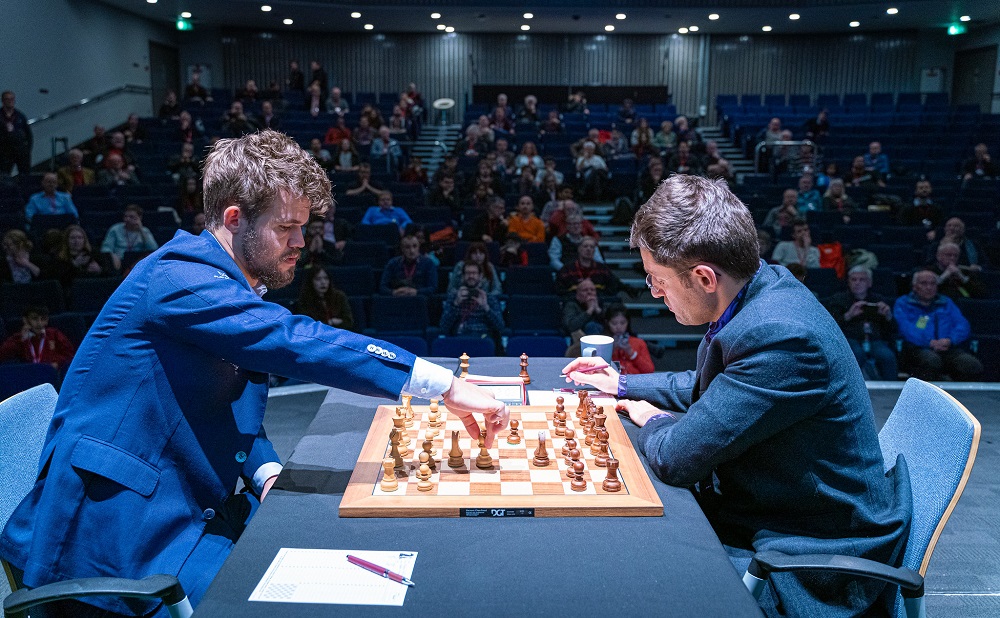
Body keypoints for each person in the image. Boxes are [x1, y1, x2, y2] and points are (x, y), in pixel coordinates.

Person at [0, 131, 507, 617]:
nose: (301, 241)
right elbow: (292, 340)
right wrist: (444, 386)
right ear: (234, 218)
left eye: (303, 226)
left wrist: (264, 471)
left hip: (192, 503)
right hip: (120, 536)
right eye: (286, 227)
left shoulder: (221, 282)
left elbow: (223, 402)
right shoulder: (177, 278)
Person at [562, 174, 910, 617]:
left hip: (813, 552)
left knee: (625, 569)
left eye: (657, 280)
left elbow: (677, 458)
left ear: (705, 277)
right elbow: (715, 385)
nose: (655, 292)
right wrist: (623, 384)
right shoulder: (763, 287)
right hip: (772, 504)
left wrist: (653, 419)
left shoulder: (782, 338)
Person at [894, 270, 983, 381]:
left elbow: (962, 325)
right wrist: (929, 342)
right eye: (924, 283)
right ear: (914, 286)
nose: (929, 287)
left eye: (933, 284)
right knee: (931, 361)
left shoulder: (946, 303)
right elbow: (905, 328)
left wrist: (950, 340)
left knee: (972, 365)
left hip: (947, 347)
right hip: (918, 348)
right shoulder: (903, 303)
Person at [822, 266, 898, 381]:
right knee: (856, 355)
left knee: (887, 356)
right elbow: (829, 327)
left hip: (874, 339)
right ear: (849, 282)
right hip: (849, 339)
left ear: (869, 283)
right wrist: (849, 315)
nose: (857, 283)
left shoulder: (879, 300)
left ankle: (892, 390)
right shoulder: (837, 300)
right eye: (854, 279)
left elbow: (892, 329)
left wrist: (888, 316)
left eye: (862, 280)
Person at [439, 261, 505, 349]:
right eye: (467, 273)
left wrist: (486, 307)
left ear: (480, 276)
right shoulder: (453, 298)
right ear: (463, 276)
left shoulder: (489, 298)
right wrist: (456, 304)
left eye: (474, 273)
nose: (471, 276)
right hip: (459, 339)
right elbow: (444, 326)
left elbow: (500, 327)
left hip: (482, 340)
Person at [0, 305, 75, 370]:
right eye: (35, 319)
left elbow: (70, 355)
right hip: (28, 374)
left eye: (43, 319)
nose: (39, 323)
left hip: (51, 373)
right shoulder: (19, 338)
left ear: (47, 320)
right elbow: (2, 355)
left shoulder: (54, 334)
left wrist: (58, 362)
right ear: (26, 320)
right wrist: (21, 340)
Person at [100, 204, 159, 272]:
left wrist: (141, 229)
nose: (127, 219)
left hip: (137, 263)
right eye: (125, 216)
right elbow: (105, 248)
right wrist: (112, 255)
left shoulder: (144, 231)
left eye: (131, 217)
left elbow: (153, 248)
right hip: (119, 262)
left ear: (139, 218)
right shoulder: (115, 229)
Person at [296, 266, 354, 330]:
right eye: (318, 279)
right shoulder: (305, 300)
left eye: (326, 278)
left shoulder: (339, 296)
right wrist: (330, 322)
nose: (323, 282)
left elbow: (349, 322)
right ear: (311, 282)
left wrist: (335, 322)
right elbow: (307, 325)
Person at [604, 304, 655, 375]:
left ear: (628, 322)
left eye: (622, 323)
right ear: (607, 323)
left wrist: (631, 353)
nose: (618, 327)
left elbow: (650, 370)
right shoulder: (602, 344)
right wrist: (611, 350)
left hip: (634, 379)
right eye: (614, 323)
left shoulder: (638, 342)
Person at [0, 91, 32, 175]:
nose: (10, 101)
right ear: (3, 101)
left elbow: (29, 135)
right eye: (7, 99)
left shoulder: (20, 116)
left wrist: (27, 151)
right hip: (4, 153)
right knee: (4, 176)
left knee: (25, 175)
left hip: (20, 151)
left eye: (12, 99)